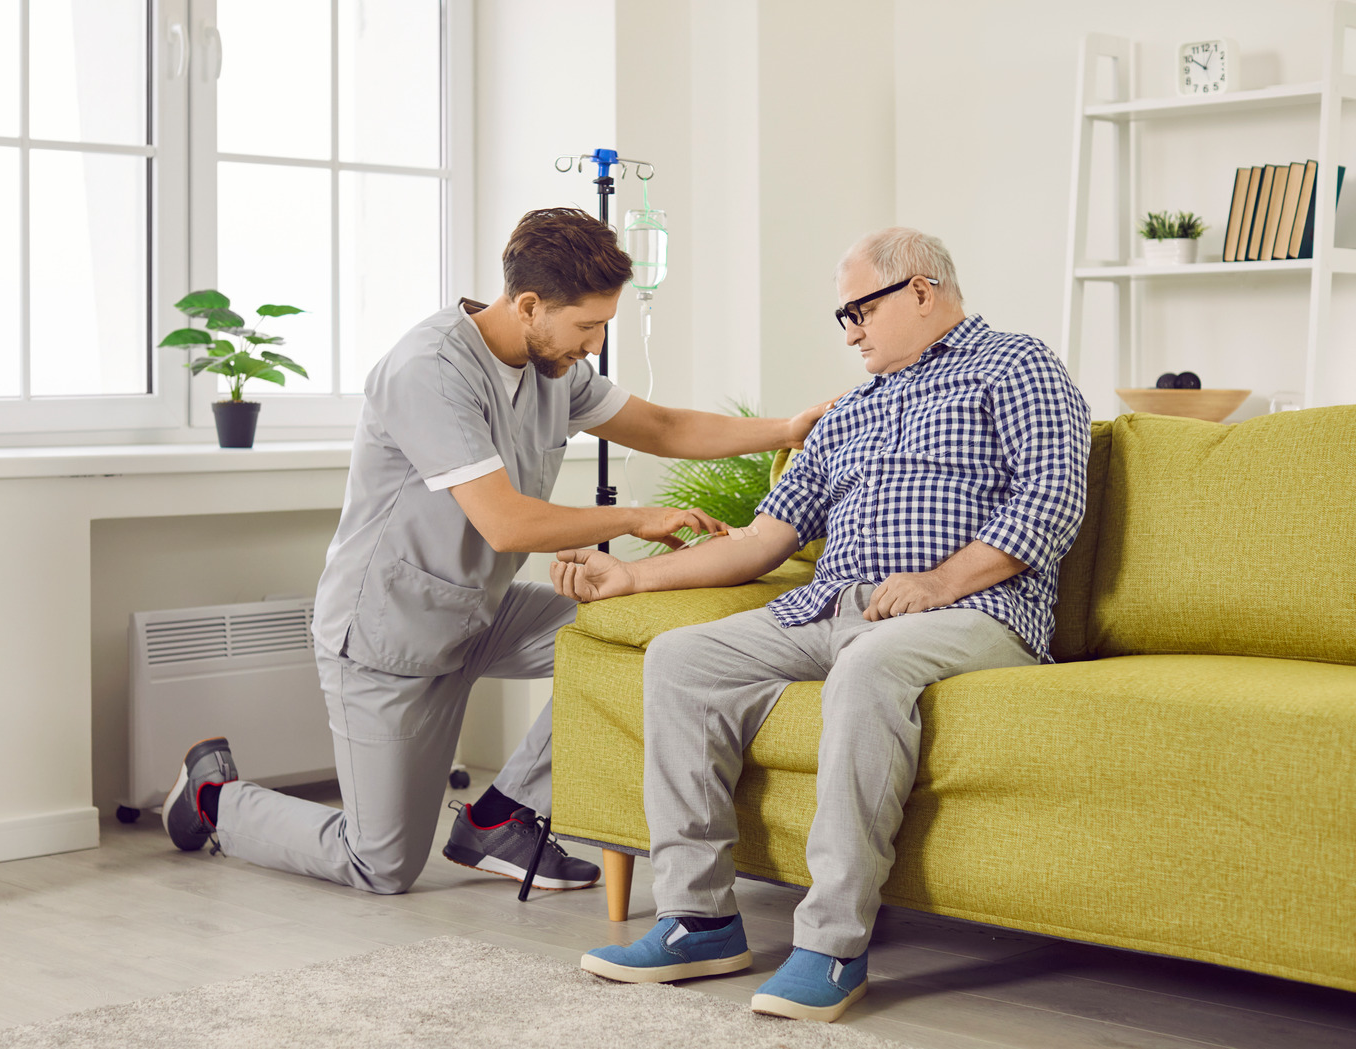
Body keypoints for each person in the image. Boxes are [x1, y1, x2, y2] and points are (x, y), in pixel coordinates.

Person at [161, 207, 834, 899]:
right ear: (531, 305)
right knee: (381, 863)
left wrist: (786, 427)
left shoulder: (552, 365)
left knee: (642, 643)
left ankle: (500, 816)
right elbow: (506, 523)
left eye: (604, 325)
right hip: (389, 635)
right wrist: (638, 515)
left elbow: (658, 424)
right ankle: (214, 797)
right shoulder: (428, 369)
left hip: (485, 612)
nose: (596, 345)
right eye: (587, 326)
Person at [553, 228, 1091, 1022]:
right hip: (825, 609)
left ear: (920, 290)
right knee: (680, 657)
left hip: (974, 611)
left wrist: (939, 581)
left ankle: (833, 944)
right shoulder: (846, 415)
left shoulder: (1017, 365)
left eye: (859, 311)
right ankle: (700, 919)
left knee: (870, 666)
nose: (850, 332)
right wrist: (631, 573)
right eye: (841, 317)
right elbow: (764, 540)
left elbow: (1052, 498)